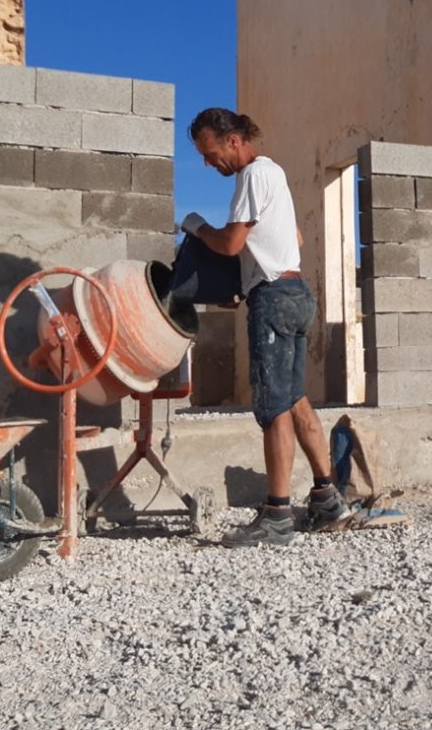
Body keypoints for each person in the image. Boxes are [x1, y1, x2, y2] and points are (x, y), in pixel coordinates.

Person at [181, 107, 348, 547]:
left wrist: (197, 228)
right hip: (294, 293)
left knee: (273, 407)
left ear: (233, 140)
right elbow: (292, 240)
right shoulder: (275, 176)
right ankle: (328, 499)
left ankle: (276, 516)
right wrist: (245, 283)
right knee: (294, 400)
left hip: (274, 299)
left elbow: (232, 242)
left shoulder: (253, 175)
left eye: (210, 152)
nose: (208, 162)